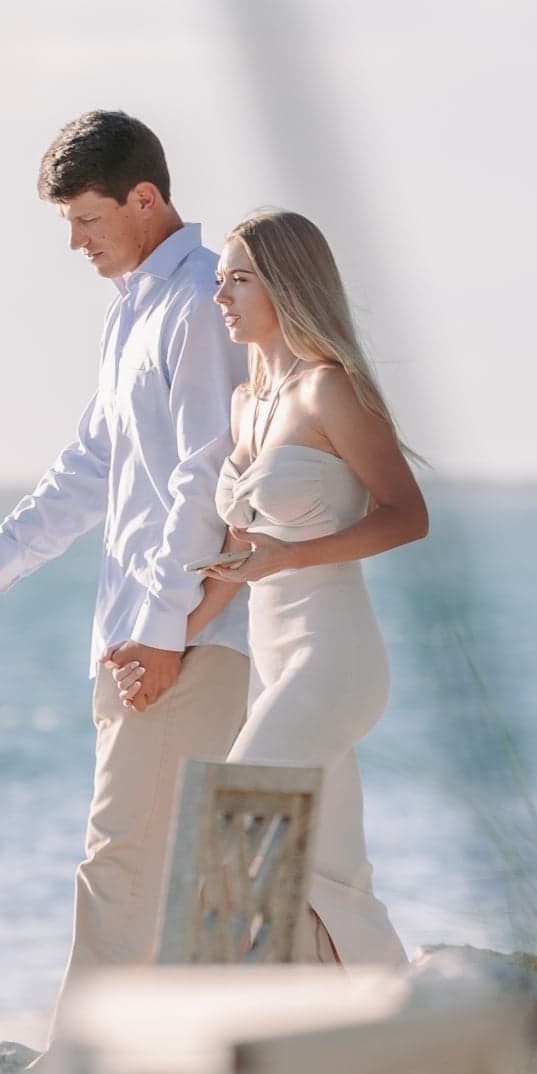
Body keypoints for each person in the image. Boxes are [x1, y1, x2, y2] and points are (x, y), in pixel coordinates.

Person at [0, 110, 248, 997]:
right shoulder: (133, 314)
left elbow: (205, 476)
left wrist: (160, 630)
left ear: (145, 199)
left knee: (124, 864)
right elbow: (92, 465)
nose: (73, 242)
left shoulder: (202, 301)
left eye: (86, 218)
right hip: (140, 632)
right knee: (161, 871)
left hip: (184, 636)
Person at [126, 208, 424, 964]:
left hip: (334, 659)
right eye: (219, 280)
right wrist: (168, 642)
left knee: (234, 809)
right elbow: (238, 551)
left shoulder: (331, 391)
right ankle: (376, 1015)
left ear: (286, 286)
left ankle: (232, 1006)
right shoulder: (245, 402)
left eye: (239, 280)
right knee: (332, 872)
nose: (220, 296)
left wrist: (289, 559)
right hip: (274, 658)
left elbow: (407, 516)